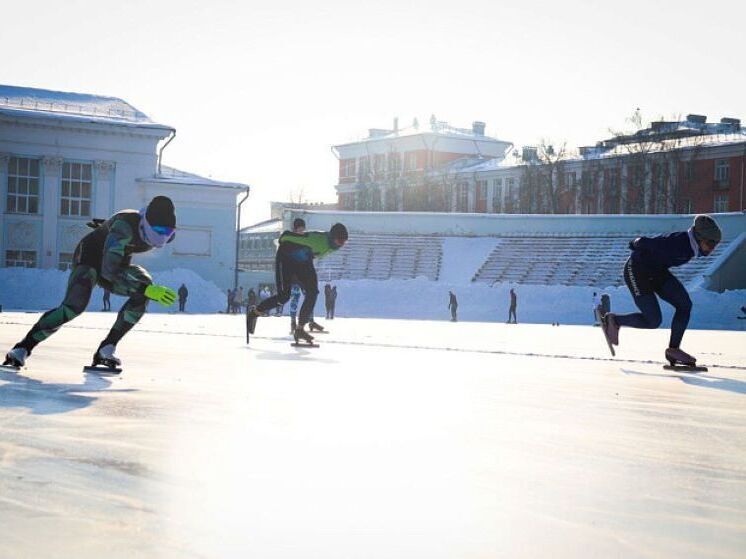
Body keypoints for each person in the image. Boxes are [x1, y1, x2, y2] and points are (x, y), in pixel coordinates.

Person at [3, 196, 177, 369]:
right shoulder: (124, 227)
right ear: (146, 222)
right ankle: (22, 348)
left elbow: (115, 264)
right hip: (89, 258)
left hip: (116, 263)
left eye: (168, 232)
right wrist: (144, 289)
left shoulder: (164, 235)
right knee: (74, 306)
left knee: (144, 286)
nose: (163, 236)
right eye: (159, 230)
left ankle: (107, 348)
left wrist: (105, 228)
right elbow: (109, 271)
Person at [602, 214, 722, 366]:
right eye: (710, 244)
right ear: (699, 237)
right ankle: (614, 320)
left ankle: (674, 350)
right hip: (637, 270)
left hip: (656, 272)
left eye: (715, 245)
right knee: (653, 320)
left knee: (684, 305)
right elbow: (649, 242)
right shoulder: (679, 243)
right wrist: (635, 243)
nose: (712, 249)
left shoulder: (691, 246)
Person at [247, 223, 348, 344]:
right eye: (340, 240)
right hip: (285, 259)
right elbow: (285, 236)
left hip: (303, 262)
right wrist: (285, 240)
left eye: (344, 241)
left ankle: (300, 329)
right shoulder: (317, 239)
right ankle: (254, 313)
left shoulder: (333, 246)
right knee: (284, 297)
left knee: (312, 293)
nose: (341, 244)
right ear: (332, 237)